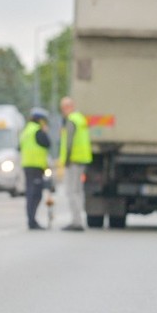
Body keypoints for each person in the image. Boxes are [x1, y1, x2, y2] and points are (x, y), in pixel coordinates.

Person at [58, 96, 92, 231]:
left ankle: (76, 221)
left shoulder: (71, 120)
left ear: (68, 107)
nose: (63, 111)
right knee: (78, 191)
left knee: (71, 191)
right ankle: (79, 219)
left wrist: (66, 160)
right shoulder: (81, 119)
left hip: (73, 160)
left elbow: (69, 143)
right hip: (82, 159)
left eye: (64, 108)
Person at [19, 107, 52, 230]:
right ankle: (32, 221)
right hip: (36, 167)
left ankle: (31, 219)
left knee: (30, 194)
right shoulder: (37, 131)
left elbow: (20, 147)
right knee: (35, 194)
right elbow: (47, 143)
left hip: (27, 166)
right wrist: (44, 131)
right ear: (40, 120)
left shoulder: (26, 131)